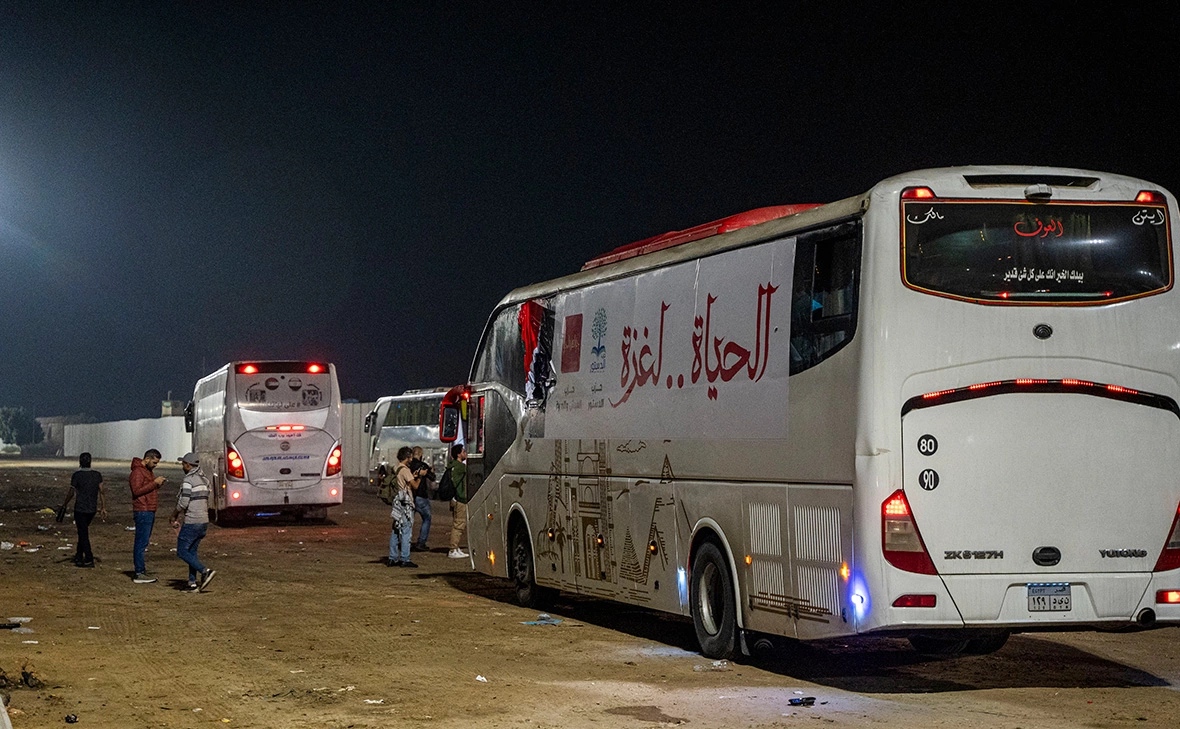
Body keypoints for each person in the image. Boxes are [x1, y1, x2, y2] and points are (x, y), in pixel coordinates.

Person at [169, 452, 216, 592]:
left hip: (192, 521)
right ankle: (192, 582)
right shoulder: (204, 479)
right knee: (192, 552)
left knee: (182, 551)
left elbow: (183, 502)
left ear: (188, 465)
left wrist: (174, 515)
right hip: (203, 521)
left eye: (183, 464)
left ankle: (205, 571)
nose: (182, 466)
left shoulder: (188, 480)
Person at [59, 452, 106, 568]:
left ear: (80, 462)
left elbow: (71, 492)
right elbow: (102, 492)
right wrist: (103, 507)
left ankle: (89, 558)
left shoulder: (77, 475)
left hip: (80, 509)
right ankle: (79, 555)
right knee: (83, 532)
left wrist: (64, 504)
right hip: (92, 509)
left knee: (83, 533)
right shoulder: (97, 475)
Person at [128, 448, 166, 583]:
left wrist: (156, 485)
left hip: (148, 509)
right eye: (154, 462)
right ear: (148, 458)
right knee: (141, 542)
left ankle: (141, 571)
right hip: (143, 510)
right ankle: (139, 572)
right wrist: (154, 483)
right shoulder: (138, 472)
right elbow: (137, 491)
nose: (155, 465)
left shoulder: (146, 471)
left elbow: (146, 489)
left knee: (143, 542)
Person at [387, 446, 418, 568]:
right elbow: (414, 486)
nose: (411, 459)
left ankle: (392, 557)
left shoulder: (396, 468)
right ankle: (405, 558)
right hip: (405, 503)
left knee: (395, 530)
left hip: (397, 503)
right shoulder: (405, 470)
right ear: (407, 457)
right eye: (410, 457)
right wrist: (419, 476)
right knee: (406, 531)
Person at [408, 446, 434, 551]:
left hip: (410, 496)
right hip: (421, 496)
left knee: (409, 521)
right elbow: (432, 477)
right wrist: (431, 471)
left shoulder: (408, 466)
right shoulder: (422, 466)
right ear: (420, 454)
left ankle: (406, 541)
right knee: (426, 519)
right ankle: (421, 542)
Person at [447, 444, 469, 559]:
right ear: (459, 454)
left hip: (454, 498)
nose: (465, 453)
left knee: (457, 522)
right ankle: (453, 549)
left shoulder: (452, 466)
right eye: (464, 451)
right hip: (460, 498)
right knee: (459, 524)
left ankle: (455, 547)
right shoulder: (461, 467)